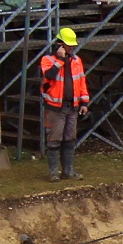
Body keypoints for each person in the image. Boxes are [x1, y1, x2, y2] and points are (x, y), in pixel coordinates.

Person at [36, 26, 89, 180]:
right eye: (69, 45)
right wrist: (59, 61)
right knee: (54, 140)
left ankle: (68, 171)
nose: (72, 48)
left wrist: (84, 102)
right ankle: (53, 173)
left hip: (72, 106)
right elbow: (49, 75)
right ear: (60, 45)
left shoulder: (76, 61)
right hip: (55, 108)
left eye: (73, 46)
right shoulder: (48, 60)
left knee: (70, 139)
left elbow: (81, 82)